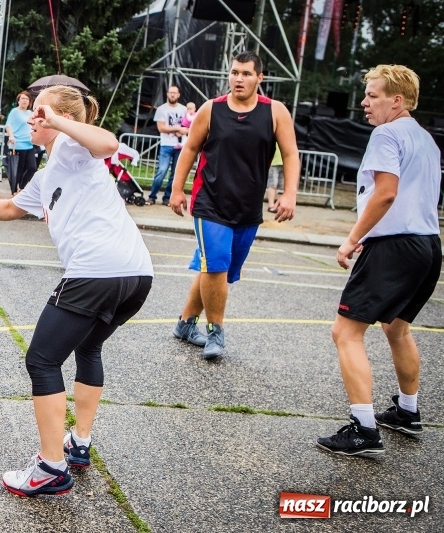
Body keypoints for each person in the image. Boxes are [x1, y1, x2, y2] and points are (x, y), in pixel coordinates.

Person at [0, 85, 153, 497]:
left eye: (40, 113)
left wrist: (58, 121)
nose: (33, 119)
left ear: (62, 119)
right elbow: (10, 208)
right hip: (134, 275)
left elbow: (108, 143)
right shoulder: (47, 172)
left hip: (99, 272)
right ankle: (79, 444)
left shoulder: (74, 147)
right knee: (88, 349)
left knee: (41, 360)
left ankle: (51, 467)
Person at [316, 65, 441, 457]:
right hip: (428, 244)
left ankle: (365, 431)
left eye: (373, 96)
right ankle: (407, 411)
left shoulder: (386, 133)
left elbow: (385, 193)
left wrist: (353, 240)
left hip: (393, 246)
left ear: (397, 101)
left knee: (346, 333)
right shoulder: (427, 140)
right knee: (397, 328)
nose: (365, 103)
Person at [168, 51, 299, 359]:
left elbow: (291, 154)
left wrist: (290, 194)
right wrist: (177, 190)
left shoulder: (275, 112)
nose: (239, 78)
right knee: (215, 265)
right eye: (235, 72)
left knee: (219, 271)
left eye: (246, 73)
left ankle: (186, 323)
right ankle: (216, 332)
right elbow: (190, 149)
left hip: (248, 208)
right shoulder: (211, 109)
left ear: (259, 78)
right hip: (210, 202)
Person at [146, 85, 188, 206]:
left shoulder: (184, 109)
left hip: (180, 145)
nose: (173, 95)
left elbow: (187, 126)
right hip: (166, 145)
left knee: (175, 173)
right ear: (167, 94)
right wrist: (177, 128)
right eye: (171, 92)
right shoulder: (162, 109)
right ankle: (152, 196)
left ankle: (167, 197)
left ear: (179, 95)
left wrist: (182, 130)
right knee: (162, 170)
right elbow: (161, 128)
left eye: (175, 93)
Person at [3, 90, 37, 194]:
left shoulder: (30, 113)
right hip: (18, 144)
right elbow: (8, 125)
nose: (25, 101)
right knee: (18, 169)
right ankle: (14, 191)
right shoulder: (15, 112)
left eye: (27, 99)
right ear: (18, 100)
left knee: (32, 167)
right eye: (22, 99)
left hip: (29, 144)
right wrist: (11, 136)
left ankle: (21, 187)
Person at [265, 144, 283, 213]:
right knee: (272, 184)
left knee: (279, 186)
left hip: (282, 162)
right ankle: (271, 205)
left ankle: (276, 204)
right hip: (273, 163)